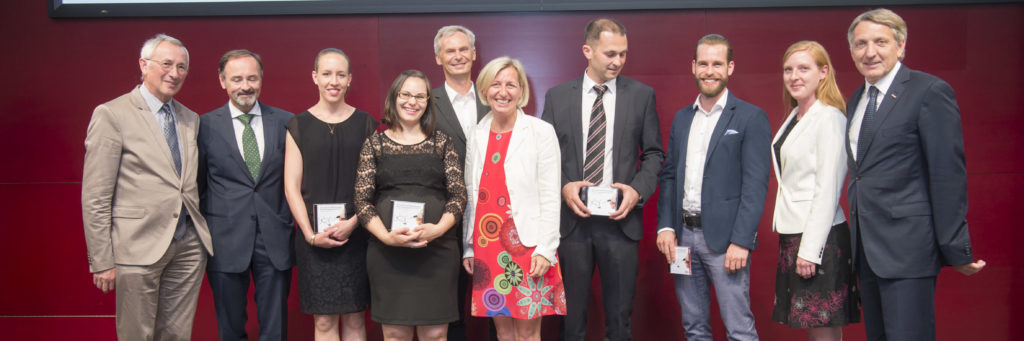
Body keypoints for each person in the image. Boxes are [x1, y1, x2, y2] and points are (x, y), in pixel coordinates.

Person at [844, 9, 985, 340]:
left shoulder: (929, 92)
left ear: (901, 45)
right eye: (861, 43)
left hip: (908, 250)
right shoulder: (856, 100)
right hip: (866, 251)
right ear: (851, 51)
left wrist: (955, 247)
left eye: (881, 41)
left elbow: (947, 175)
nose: (870, 52)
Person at [82, 33, 214, 340]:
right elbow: (95, 195)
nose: (175, 73)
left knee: (177, 335)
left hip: (188, 247)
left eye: (182, 67)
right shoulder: (112, 115)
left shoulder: (190, 119)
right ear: (144, 65)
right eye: (167, 64)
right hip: (137, 247)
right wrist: (101, 260)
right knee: (136, 334)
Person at [540, 18, 665, 341]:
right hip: (571, 225)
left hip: (620, 223)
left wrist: (637, 191)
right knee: (571, 323)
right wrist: (564, 186)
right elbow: (544, 158)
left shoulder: (641, 95)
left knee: (620, 320)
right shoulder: (557, 97)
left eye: (623, 54)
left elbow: (654, 154)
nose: (618, 61)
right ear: (587, 51)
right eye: (610, 54)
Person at [655, 34, 770, 341]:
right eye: (703, 63)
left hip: (726, 243)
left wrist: (742, 241)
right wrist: (665, 226)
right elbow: (668, 177)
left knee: (739, 330)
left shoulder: (750, 117)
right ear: (693, 67)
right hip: (682, 239)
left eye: (717, 64)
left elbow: (756, 186)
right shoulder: (682, 119)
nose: (709, 70)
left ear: (730, 67)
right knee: (694, 327)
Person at [354, 69, 467, 341]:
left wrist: (437, 229)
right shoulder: (375, 144)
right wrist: (386, 237)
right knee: (394, 333)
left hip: (437, 252)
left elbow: (459, 196)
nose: (412, 101)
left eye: (419, 96)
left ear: (428, 102)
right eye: (405, 94)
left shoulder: (442, 143)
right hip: (388, 254)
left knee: (436, 334)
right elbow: (361, 200)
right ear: (394, 98)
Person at [462, 57, 566, 341]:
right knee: (502, 330)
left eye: (511, 84)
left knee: (528, 332)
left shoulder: (540, 132)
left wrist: (546, 248)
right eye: (495, 84)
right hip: (487, 243)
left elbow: (550, 195)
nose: (502, 92)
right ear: (485, 90)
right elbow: (472, 193)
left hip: (528, 246)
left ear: (521, 91)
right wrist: (468, 246)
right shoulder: (477, 133)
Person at [198, 49, 295, 341]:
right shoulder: (203, 126)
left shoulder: (286, 122)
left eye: (252, 78)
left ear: (261, 80)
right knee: (230, 328)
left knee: (275, 328)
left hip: (275, 239)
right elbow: (198, 185)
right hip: (224, 240)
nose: (245, 86)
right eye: (237, 79)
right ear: (222, 81)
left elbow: (295, 182)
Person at [283, 48, 377, 341]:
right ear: (315, 77)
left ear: (350, 79)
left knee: (354, 318)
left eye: (340, 74)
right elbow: (291, 186)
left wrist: (354, 222)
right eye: (326, 74)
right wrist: (310, 235)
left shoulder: (366, 124)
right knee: (323, 322)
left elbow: (374, 184)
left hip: (356, 235)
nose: (333, 81)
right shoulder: (298, 125)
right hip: (313, 241)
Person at [769, 41, 859, 340]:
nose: (794, 76)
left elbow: (828, 190)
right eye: (788, 69)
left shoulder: (830, 117)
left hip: (819, 237)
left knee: (823, 325)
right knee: (820, 325)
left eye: (803, 68)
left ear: (823, 72)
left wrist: (810, 250)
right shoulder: (795, 116)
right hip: (796, 232)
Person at [430, 25, 494, 341]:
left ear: (473, 54)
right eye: (450, 51)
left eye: (463, 49)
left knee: (500, 298)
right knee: (450, 303)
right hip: (444, 215)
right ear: (438, 57)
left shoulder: (495, 96)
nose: (457, 56)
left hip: (492, 211)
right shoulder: (426, 101)